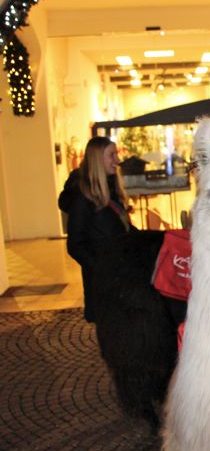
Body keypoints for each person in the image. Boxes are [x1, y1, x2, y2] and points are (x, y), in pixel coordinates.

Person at [59, 137, 133, 323]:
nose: (117, 160)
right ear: (97, 159)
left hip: (120, 274)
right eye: (112, 155)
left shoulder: (110, 188)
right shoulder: (83, 198)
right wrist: (101, 268)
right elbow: (75, 245)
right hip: (102, 282)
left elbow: (123, 229)